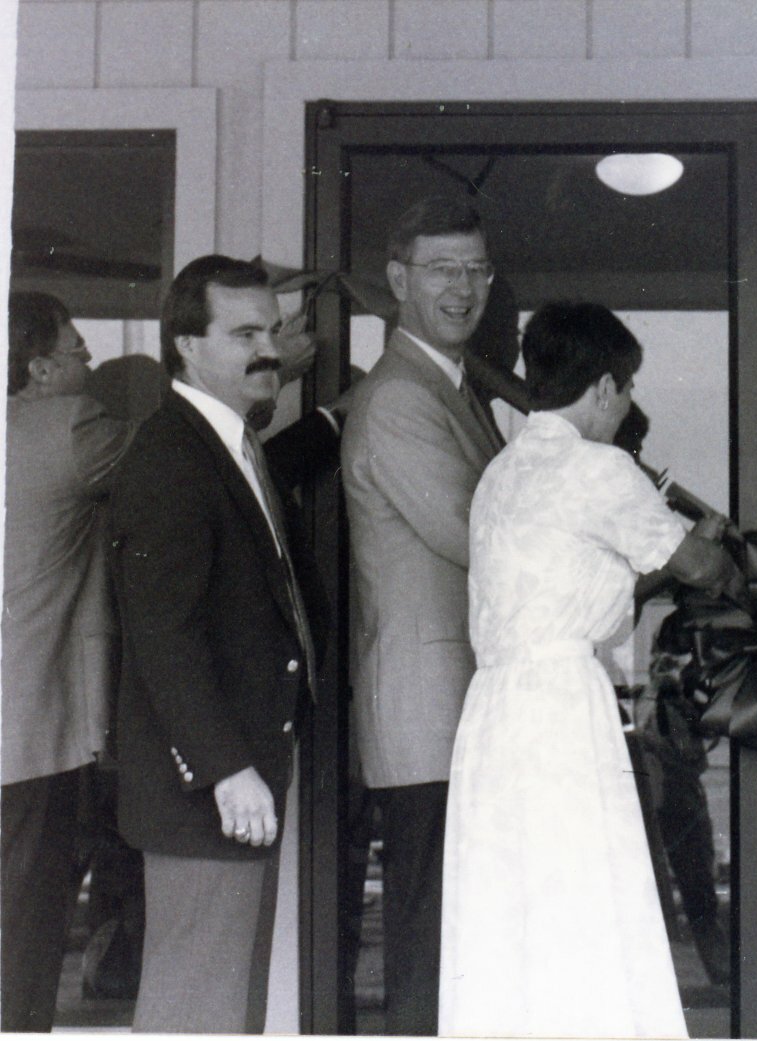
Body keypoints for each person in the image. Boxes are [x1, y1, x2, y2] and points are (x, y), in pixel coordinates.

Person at [438, 301, 738, 1038]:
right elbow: (700, 567)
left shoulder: (501, 474)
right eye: (627, 388)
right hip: (562, 709)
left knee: (513, 911)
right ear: (605, 387)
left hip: (496, 710)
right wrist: (705, 536)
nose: (626, 404)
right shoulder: (600, 468)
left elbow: (576, 584)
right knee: (582, 898)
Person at [108, 255, 336, 1032]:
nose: (268, 349)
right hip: (208, 791)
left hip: (234, 785)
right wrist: (226, 767)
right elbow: (161, 634)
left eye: (272, 330)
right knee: (194, 1011)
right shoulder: (172, 456)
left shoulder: (227, 446)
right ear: (187, 346)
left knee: (223, 1009)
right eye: (243, 333)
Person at [341, 195, 506, 1034]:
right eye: (443, 268)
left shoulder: (450, 387)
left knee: (453, 945)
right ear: (398, 279)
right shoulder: (402, 398)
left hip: (454, 714)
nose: (464, 287)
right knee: (428, 952)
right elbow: (482, 535)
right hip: (427, 719)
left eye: (477, 268)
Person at [2, 293, 133, 1032]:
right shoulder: (68, 425)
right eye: (79, 348)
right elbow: (177, 449)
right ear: (42, 365)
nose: (91, 360)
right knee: (26, 929)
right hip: (26, 732)